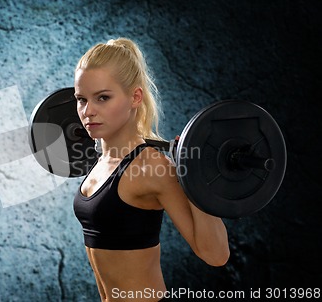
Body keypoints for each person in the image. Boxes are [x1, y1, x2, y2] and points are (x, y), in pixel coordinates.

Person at [72, 38, 230, 302]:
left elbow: (216, 255)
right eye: (81, 99)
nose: (88, 111)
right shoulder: (101, 161)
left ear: (135, 97)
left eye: (102, 98)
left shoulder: (152, 167)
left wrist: (197, 179)